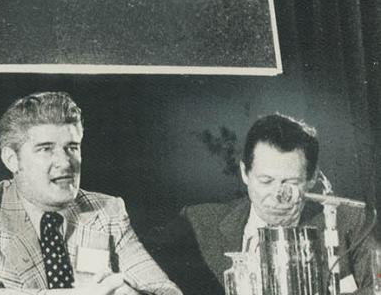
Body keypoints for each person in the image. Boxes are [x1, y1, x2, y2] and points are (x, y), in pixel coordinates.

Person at [0, 91, 179, 295]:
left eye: (72, 147)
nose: (65, 162)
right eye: (46, 149)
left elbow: (164, 289)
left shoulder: (107, 210)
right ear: (11, 159)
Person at [154, 113, 374, 295]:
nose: (278, 196)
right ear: (245, 173)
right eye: (266, 181)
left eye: (291, 182)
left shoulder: (350, 223)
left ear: (312, 178)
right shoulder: (199, 223)